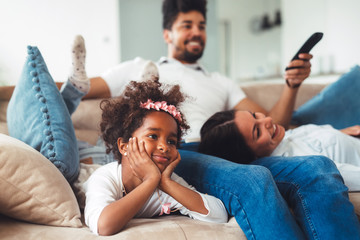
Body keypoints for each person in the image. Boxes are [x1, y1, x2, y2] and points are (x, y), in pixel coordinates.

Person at [5, 1, 360, 239]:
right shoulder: (137, 68)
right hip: (184, 150)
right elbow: (74, 88)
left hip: (229, 149)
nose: (196, 31)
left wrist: (291, 86)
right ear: (167, 34)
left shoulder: (220, 80)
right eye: (186, 24)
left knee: (317, 167)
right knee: (253, 180)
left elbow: (270, 123)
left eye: (202, 25)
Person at [84, 73, 228, 236]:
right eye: (153, 136)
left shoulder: (167, 181)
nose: (164, 147)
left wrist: (165, 183)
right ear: (124, 146)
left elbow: (219, 215)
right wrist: (150, 180)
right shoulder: (105, 178)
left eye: (171, 141)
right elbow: (103, 226)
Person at [198, 109, 360, 191]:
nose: (267, 120)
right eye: (258, 131)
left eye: (255, 115)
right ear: (249, 154)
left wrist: (338, 134)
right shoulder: (305, 162)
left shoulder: (282, 140)